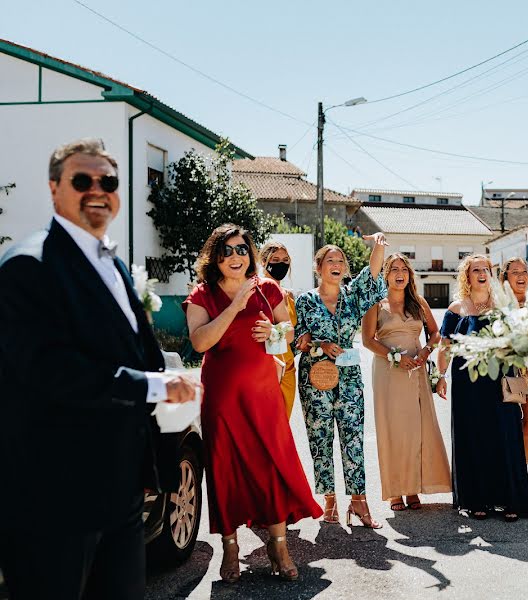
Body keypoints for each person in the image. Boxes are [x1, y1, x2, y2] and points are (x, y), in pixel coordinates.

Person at [0, 138, 198, 600]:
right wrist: (154, 385)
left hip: (121, 492)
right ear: (54, 189)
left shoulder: (115, 265)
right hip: (52, 494)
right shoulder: (29, 266)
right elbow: (49, 370)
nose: (97, 189)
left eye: (107, 181)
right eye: (81, 180)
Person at [183, 224, 322, 583]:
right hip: (222, 395)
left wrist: (273, 332)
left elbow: (288, 331)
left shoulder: (270, 288)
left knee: (270, 463)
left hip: (262, 393)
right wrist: (235, 306)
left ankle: (279, 544)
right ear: (215, 257)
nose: (235, 256)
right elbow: (199, 342)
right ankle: (230, 546)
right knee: (224, 466)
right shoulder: (201, 294)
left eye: (241, 249)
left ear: (251, 253)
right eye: (227, 250)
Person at [294, 235, 389, 528]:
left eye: (340, 261)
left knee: (353, 438)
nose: (336, 265)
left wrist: (379, 245)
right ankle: (330, 499)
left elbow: (371, 273)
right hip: (315, 378)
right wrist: (319, 344)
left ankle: (359, 502)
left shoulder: (353, 295)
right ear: (318, 268)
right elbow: (299, 339)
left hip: (348, 378)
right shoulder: (305, 301)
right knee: (321, 439)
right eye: (330, 260)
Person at [436, 254, 528, 522]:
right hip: (467, 384)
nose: (481, 273)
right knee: (474, 437)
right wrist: (439, 376)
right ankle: (476, 499)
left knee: (505, 435)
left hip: (499, 380)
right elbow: (444, 346)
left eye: (486, 269)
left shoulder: (505, 304)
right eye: (475, 269)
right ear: (467, 276)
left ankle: (510, 500)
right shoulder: (456, 309)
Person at [362, 253, 451, 512]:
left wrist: (425, 352)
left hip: (417, 373)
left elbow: (436, 333)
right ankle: (395, 491)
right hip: (388, 373)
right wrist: (394, 356)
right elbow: (368, 340)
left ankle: (413, 489)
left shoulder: (418, 302)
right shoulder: (375, 304)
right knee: (393, 431)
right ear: (386, 275)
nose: (399, 273)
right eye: (393, 269)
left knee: (417, 430)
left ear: (410, 275)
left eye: (404, 269)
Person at [498, 257, 528, 463]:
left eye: (524, 272)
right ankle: (506, 474)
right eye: (515, 272)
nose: (521, 276)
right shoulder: (498, 304)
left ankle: (522, 475)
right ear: (505, 277)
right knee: (506, 423)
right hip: (508, 370)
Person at [259, 240, 298, 417]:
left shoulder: (289, 295)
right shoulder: (257, 291)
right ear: (263, 261)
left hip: (288, 368)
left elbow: (293, 333)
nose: (281, 264)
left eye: (285, 260)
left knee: (283, 426)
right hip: (265, 368)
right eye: (275, 259)